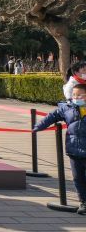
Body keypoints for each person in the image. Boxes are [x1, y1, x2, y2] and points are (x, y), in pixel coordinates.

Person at [34, 83, 86, 215]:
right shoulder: (67, 108)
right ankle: (83, 203)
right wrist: (38, 126)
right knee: (78, 178)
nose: (76, 97)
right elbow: (52, 116)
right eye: (74, 95)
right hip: (74, 149)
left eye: (79, 95)